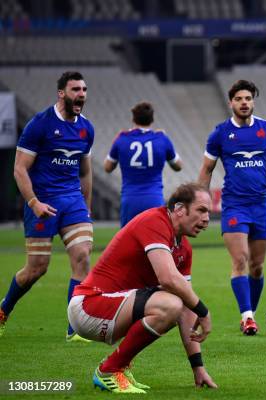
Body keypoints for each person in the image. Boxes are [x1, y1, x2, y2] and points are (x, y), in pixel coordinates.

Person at [68, 183, 217, 393]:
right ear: (180, 209)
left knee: (178, 303)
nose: (206, 219)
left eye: (209, 212)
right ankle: (109, 370)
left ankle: (120, 367)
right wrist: (204, 311)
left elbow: (186, 310)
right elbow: (168, 279)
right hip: (89, 306)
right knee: (170, 304)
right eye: (201, 210)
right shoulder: (155, 221)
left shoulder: (184, 249)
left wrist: (198, 367)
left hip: (114, 306)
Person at [197, 80, 266, 336]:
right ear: (231, 102)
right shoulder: (220, 134)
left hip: (260, 206)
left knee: (257, 266)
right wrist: (200, 200)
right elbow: (207, 170)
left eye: (248, 98)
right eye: (239, 99)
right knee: (240, 259)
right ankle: (247, 316)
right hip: (234, 206)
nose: (244, 103)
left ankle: (248, 314)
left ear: (253, 102)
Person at [0, 71, 94, 342]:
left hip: (72, 201)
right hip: (42, 202)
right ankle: (4, 310)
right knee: (37, 268)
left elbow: (85, 172)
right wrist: (34, 202)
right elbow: (19, 169)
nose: (82, 94)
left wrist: (85, 208)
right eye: (76, 89)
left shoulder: (86, 128)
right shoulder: (39, 124)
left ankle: (74, 328)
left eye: (84, 90)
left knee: (82, 257)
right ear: (61, 93)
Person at [104, 101, 183, 227]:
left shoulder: (122, 139)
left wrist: (116, 139)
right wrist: (166, 140)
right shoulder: (161, 139)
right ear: (152, 119)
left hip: (130, 200)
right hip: (154, 199)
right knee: (156, 240)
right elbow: (178, 166)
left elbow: (107, 167)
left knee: (128, 243)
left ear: (133, 118)